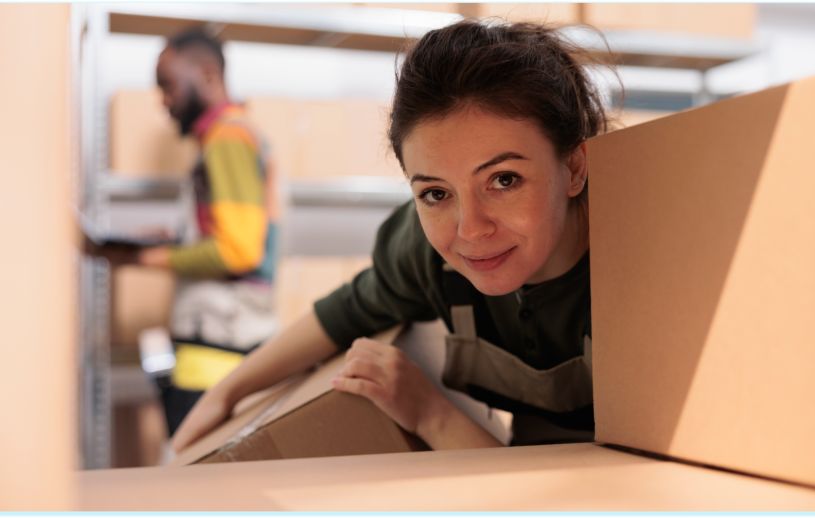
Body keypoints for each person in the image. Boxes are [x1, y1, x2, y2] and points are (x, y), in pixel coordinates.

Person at [172, 19, 607, 452]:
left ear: (573, 168)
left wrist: (431, 416)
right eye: (436, 193)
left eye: (505, 180)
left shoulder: (641, 264)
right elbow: (346, 312)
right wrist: (225, 394)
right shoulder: (425, 251)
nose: (470, 229)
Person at [98, 26, 280, 435]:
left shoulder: (228, 139)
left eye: (169, 85)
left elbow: (238, 251)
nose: (163, 101)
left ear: (208, 75)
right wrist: (177, 241)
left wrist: (141, 257)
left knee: (199, 482)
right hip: (226, 341)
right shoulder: (228, 137)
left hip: (219, 345)